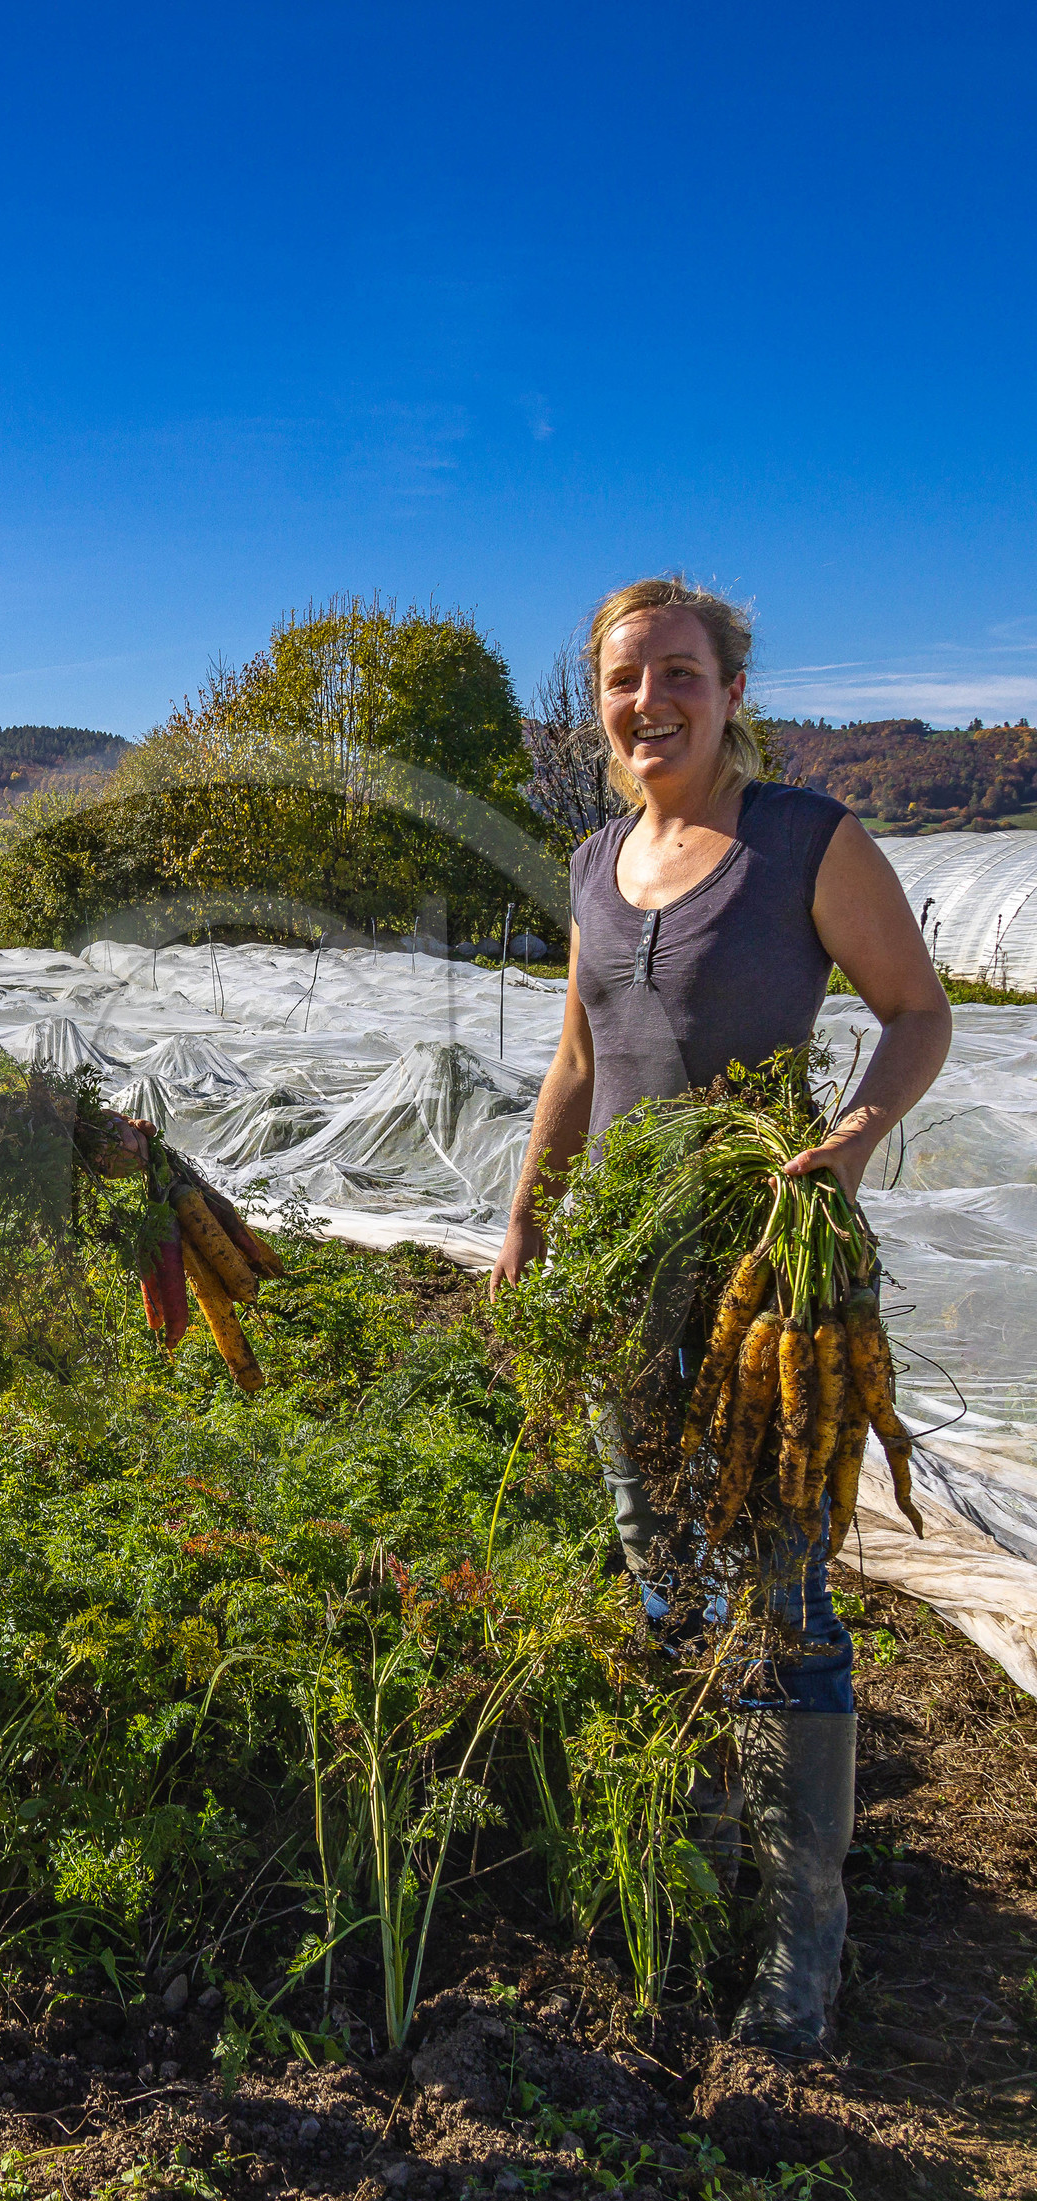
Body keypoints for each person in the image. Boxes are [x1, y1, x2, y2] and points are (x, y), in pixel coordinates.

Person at [489, 576, 951, 2056]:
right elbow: (576, 1060)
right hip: (631, 1290)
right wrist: (524, 1218)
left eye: (679, 676)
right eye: (626, 681)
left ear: (729, 691)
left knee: (789, 1605)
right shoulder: (591, 863)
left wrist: (857, 1138)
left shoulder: (805, 842)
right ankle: (685, 1888)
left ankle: (798, 1952)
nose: (650, 704)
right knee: (662, 1588)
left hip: (770, 1287)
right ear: (601, 701)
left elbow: (916, 1010)